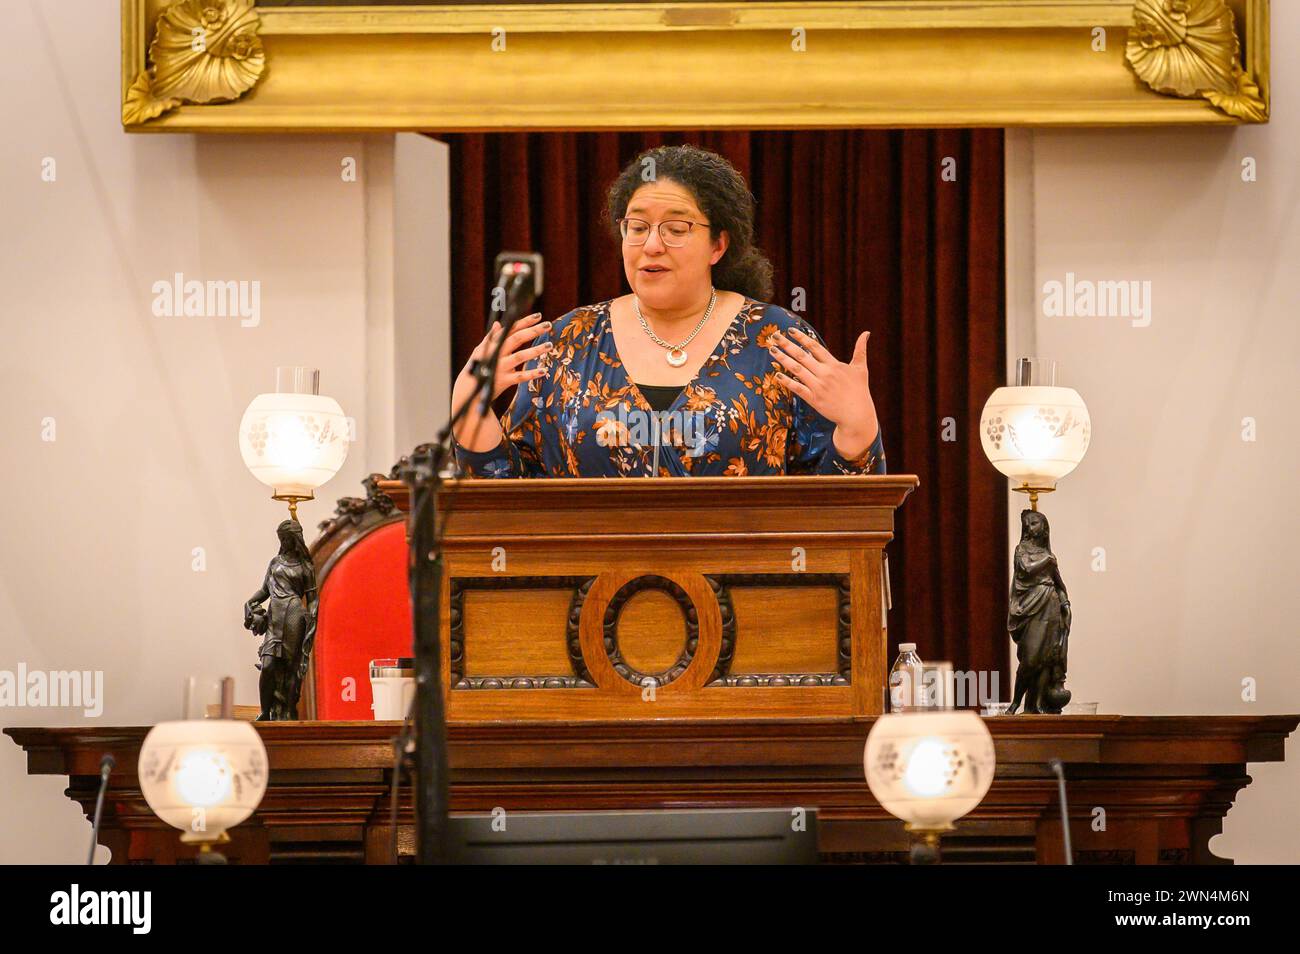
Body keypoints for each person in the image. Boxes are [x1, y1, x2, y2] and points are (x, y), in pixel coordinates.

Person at [451, 144, 885, 478]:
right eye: (636, 227)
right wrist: (468, 409)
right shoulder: (570, 342)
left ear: (718, 244)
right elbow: (509, 495)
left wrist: (858, 427)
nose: (652, 244)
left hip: (747, 589)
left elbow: (838, 513)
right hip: (589, 590)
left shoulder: (777, 341)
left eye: (676, 229)